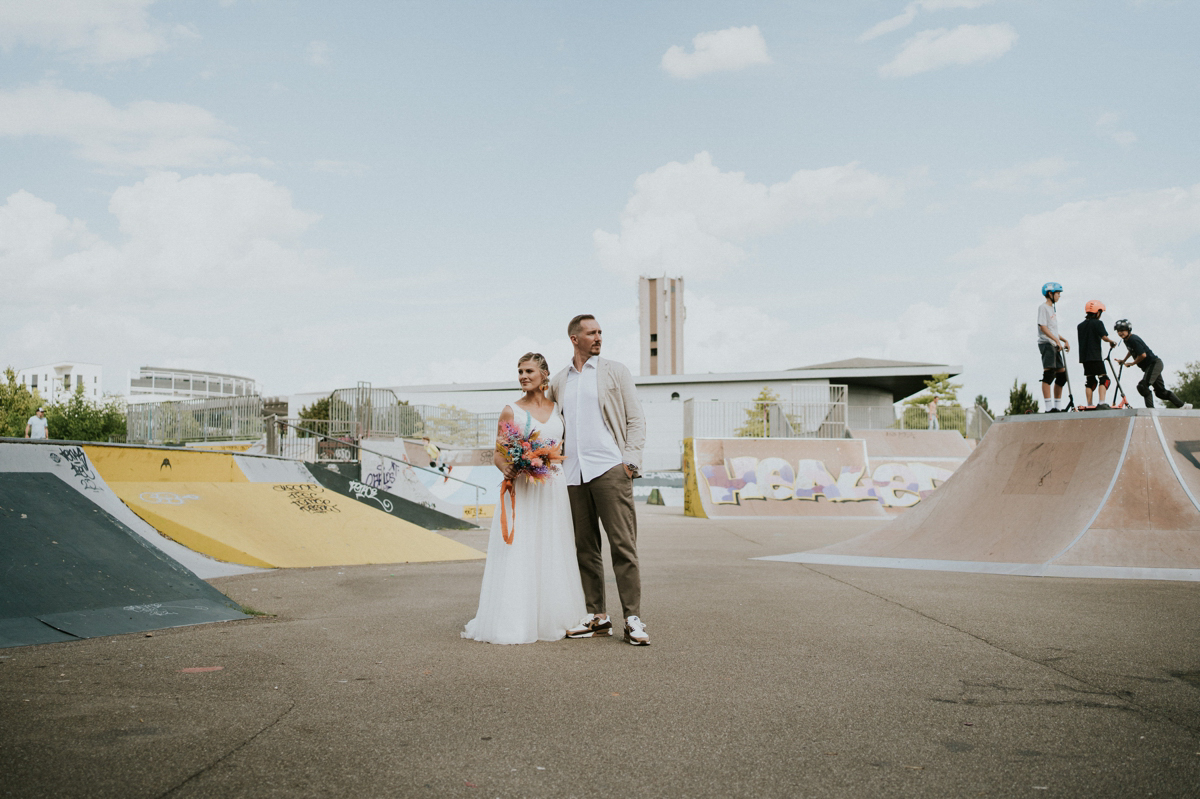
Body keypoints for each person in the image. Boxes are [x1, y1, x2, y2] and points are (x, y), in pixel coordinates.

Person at [462, 353, 586, 644]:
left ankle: (554, 617)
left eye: (528, 370)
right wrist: (509, 466)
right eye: (519, 371)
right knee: (522, 549)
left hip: (553, 487)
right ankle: (516, 620)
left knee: (553, 548)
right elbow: (498, 452)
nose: (522, 376)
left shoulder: (558, 409)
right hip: (526, 488)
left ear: (544, 374)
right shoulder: (511, 411)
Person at [547, 314, 650, 646]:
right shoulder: (560, 380)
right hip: (574, 473)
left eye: (601, 332)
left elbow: (635, 417)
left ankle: (632, 617)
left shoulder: (615, 371)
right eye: (592, 333)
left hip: (609, 468)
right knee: (585, 547)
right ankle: (597, 616)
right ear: (575, 339)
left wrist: (630, 460)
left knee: (623, 545)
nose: (599, 337)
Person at [1113, 320, 1190, 409]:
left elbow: (1143, 355)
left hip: (1154, 364)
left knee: (1143, 386)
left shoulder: (1133, 339)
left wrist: (1133, 363)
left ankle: (1150, 410)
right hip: (1151, 366)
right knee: (1160, 392)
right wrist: (1124, 360)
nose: (1120, 333)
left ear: (1128, 330)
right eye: (1118, 331)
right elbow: (1131, 350)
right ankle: (1183, 406)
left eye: (1122, 331)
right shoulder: (1126, 340)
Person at [1077, 300, 1119, 409]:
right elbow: (1104, 337)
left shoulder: (1080, 326)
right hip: (1095, 356)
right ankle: (1101, 403)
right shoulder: (1098, 323)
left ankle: (1089, 405)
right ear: (1098, 312)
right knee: (1104, 379)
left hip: (1084, 358)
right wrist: (1111, 342)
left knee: (1090, 381)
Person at [1037, 282, 1070, 412]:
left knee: (1062, 376)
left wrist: (1064, 339)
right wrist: (1056, 340)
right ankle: (1048, 407)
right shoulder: (1043, 307)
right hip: (1046, 343)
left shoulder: (1052, 309)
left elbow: (1053, 330)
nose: (1059, 296)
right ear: (1050, 294)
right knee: (1049, 374)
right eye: (1057, 294)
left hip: (1054, 344)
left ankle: (1057, 406)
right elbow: (1043, 327)